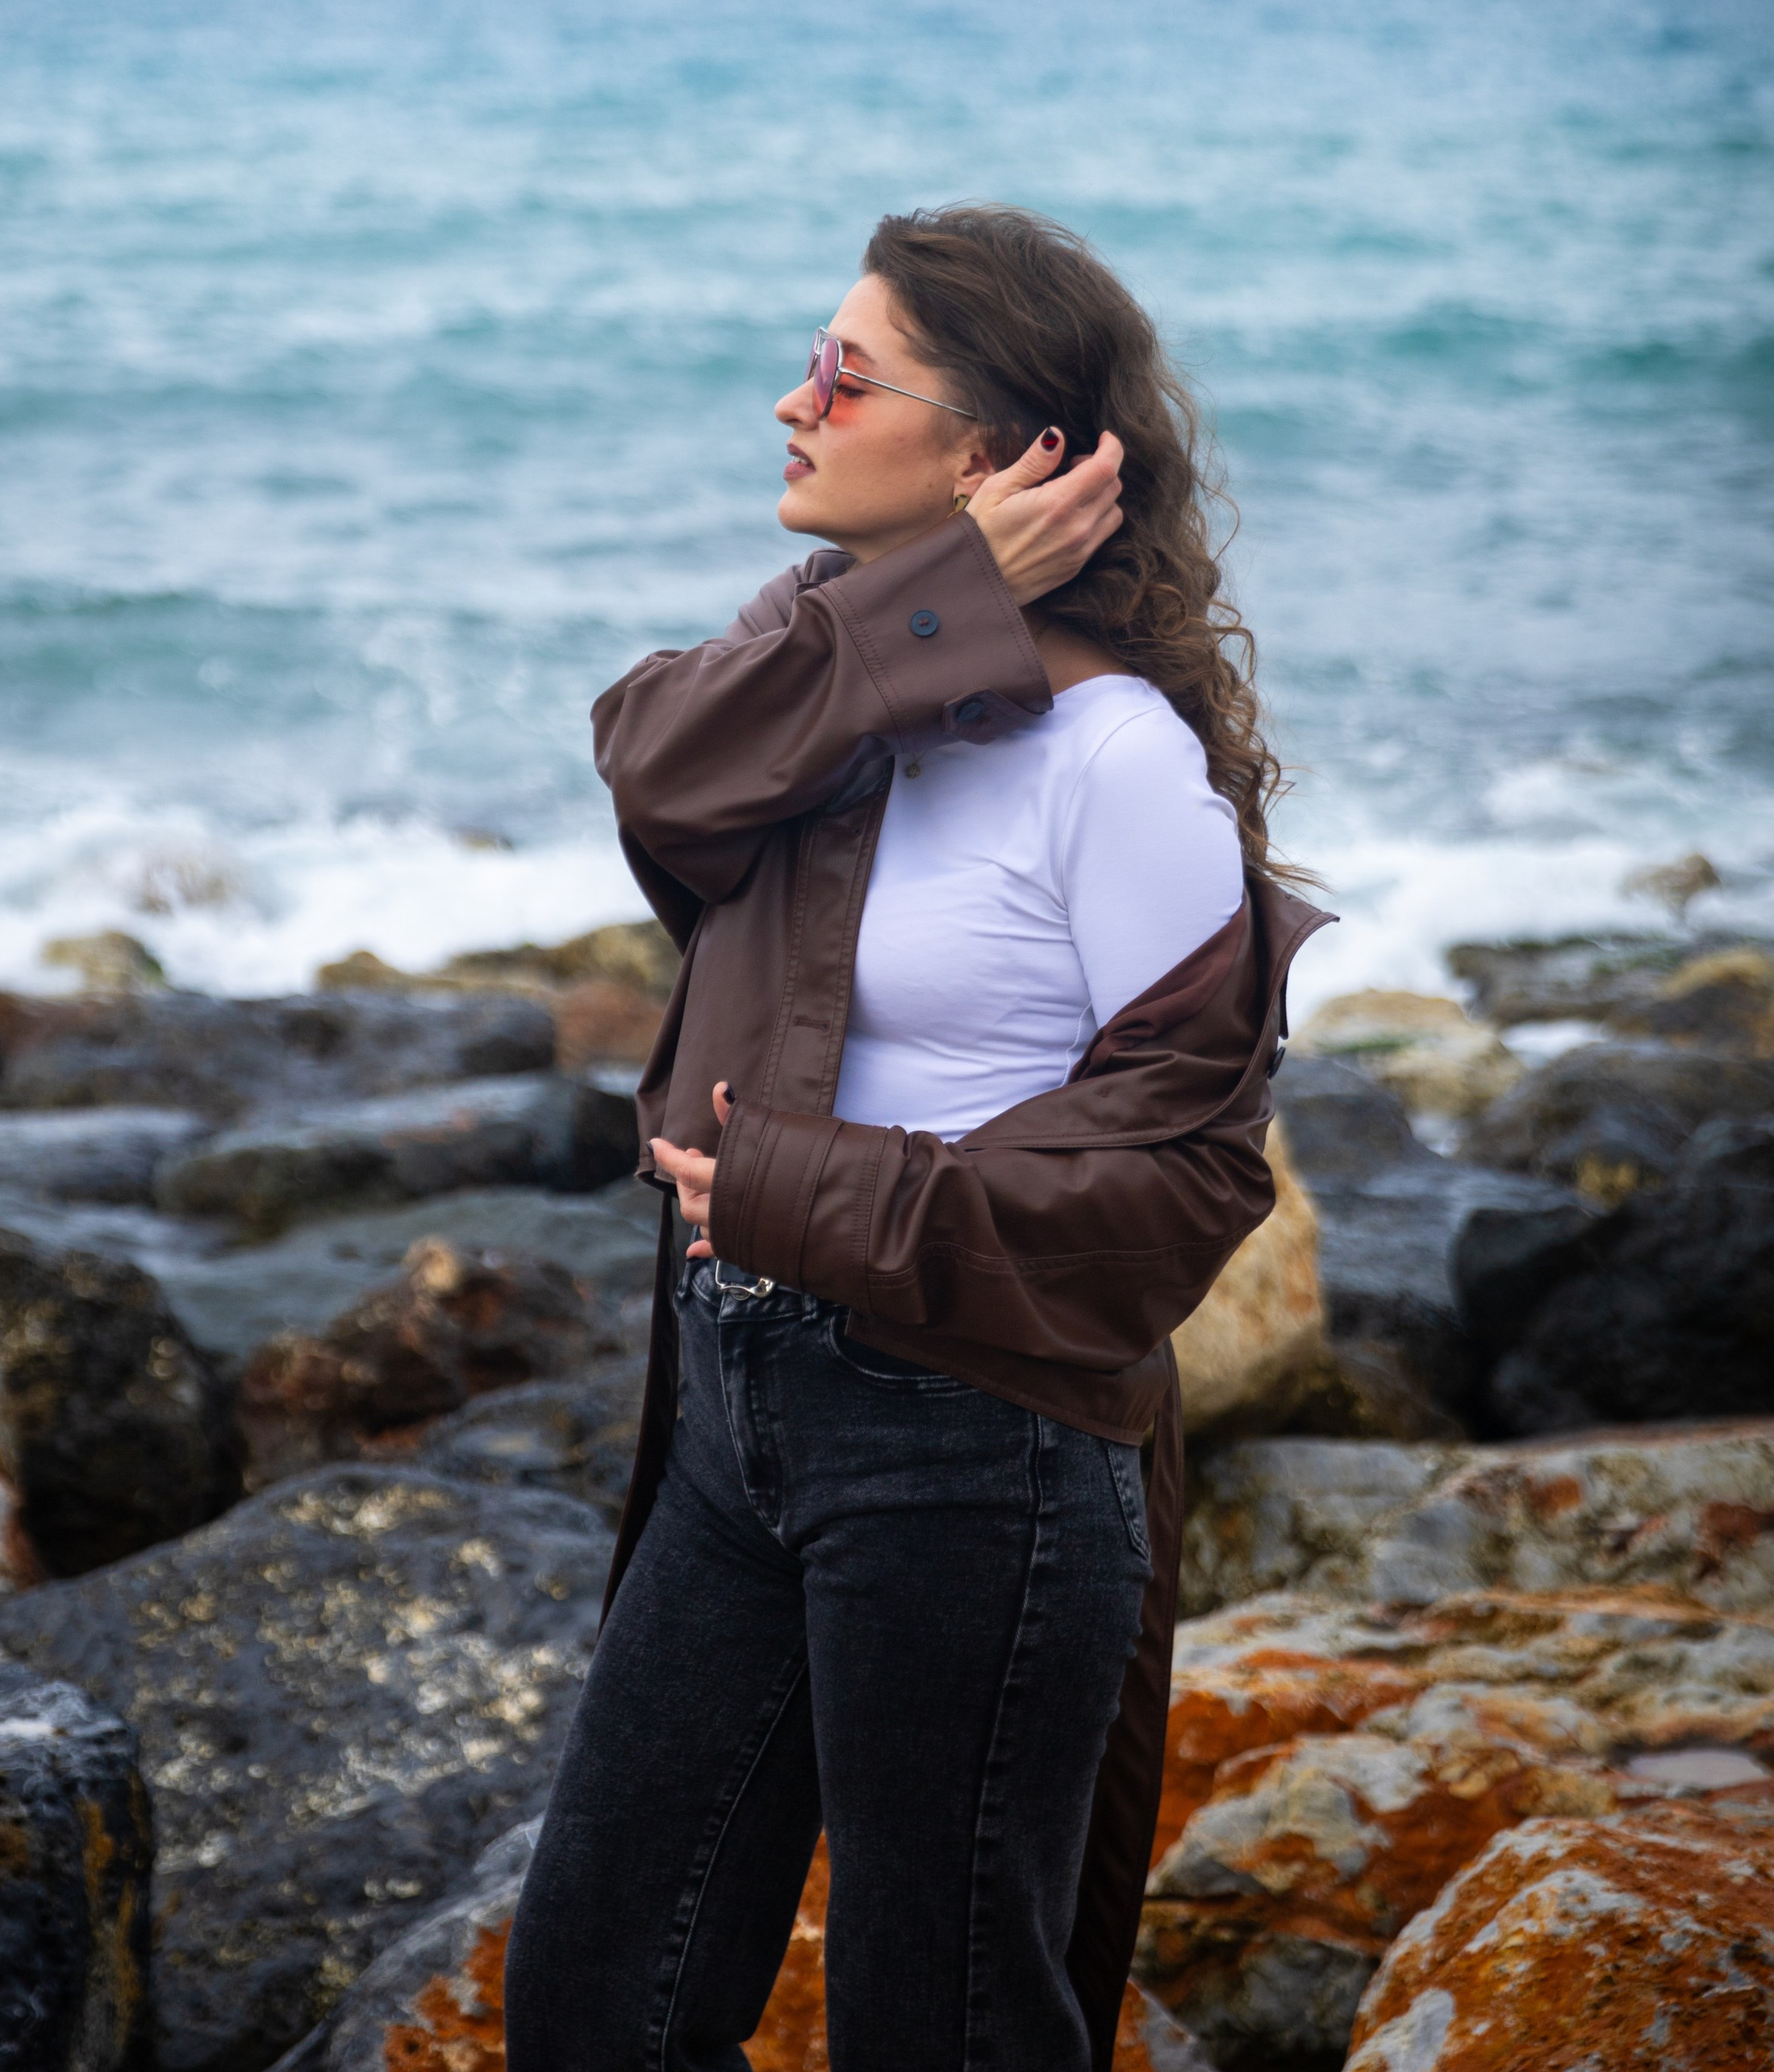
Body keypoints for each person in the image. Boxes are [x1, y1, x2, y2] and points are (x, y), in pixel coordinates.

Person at [503, 202, 1329, 2072]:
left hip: (972, 1449)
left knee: (941, 2025)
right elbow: (654, 766)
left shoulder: (1117, 762)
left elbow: (1192, 1174)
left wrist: (806, 1192)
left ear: (994, 458)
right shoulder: (823, 672)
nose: (792, 401)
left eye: (846, 374)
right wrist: (927, 604)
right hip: (739, 1409)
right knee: (592, 2002)